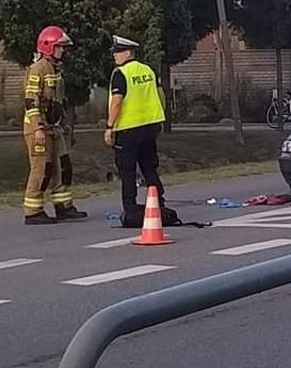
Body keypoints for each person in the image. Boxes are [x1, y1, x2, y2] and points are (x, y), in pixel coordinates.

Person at [103, 35, 176, 228]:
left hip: (127, 129)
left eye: (117, 52)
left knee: (127, 171)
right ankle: (158, 203)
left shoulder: (120, 73)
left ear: (128, 52)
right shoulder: (148, 70)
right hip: (150, 127)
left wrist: (110, 127)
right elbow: (159, 94)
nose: (114, 56)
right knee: (149, 167)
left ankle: (130, 209)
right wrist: (160, 118)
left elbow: (117, 101)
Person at [22, 25, 87, 225]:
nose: (63, 51)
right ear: (49, 46)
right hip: (39, 129)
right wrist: (38, 128)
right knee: (42, 169)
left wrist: (64, 123)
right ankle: (33, 211)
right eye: (59, 47)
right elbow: (31, 100)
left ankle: (63, 206)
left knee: (63, 166)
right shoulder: (38, 68)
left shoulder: (56, 70)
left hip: (54, 128)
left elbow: (58, 101)